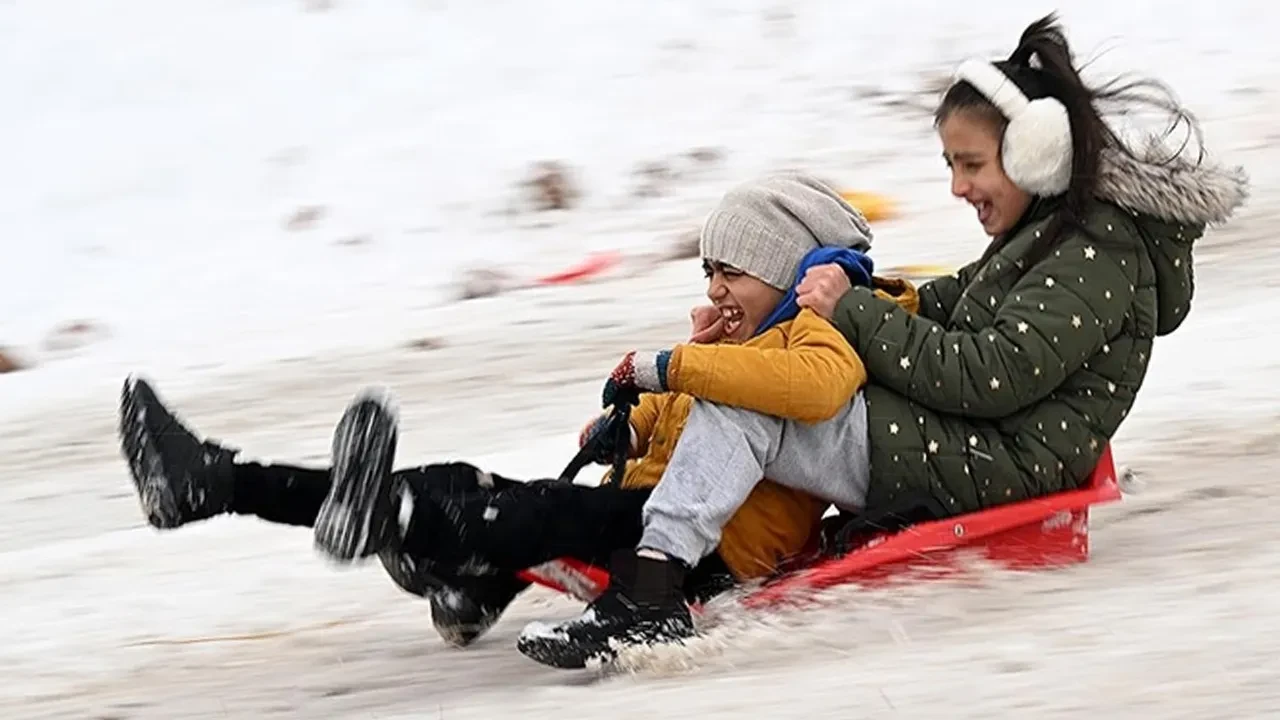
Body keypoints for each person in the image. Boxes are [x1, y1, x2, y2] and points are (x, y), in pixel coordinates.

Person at [117, 173, 920, 661]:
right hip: (643, 512)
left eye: (731, 270)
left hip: (697, 549)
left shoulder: (818, 333)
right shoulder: (740, 341)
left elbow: (795, 397)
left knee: (492, 509)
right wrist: (635, 422)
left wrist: (680, 364)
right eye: (707, 268)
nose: (712, 288)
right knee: (477, 494)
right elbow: (691, 422)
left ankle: (389, 528)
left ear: (787, 269)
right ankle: (235, 487)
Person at [690, 15, 1250, 576]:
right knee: (799, 376)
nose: (958, 187)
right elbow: (943, 304)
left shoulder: (1096, 254)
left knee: (782, 401)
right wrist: (828, 305)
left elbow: (992, 374)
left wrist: (854, 313)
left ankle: (691, 557)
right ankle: (711, 529)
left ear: (1038, 154)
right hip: (984, 445)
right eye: (951, 165)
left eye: (972, 164)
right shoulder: (1044, 236)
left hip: (1004, 466)